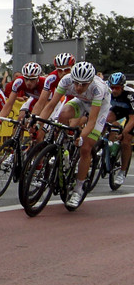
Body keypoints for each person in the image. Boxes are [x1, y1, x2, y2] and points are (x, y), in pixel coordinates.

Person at [37, 62, 111, 208]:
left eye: (83, 85)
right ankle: (64, 149)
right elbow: (51, 105)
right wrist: (39, 124)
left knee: (85, 148)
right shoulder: (66, 80)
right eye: (76, 83)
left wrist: (82, 137)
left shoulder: (98, 88)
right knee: (63, 115)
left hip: (99, 107)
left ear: (90, 81)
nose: (78, 87)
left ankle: (78, 190)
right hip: (81, 102)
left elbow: (92, 120)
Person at [106, 72, 132, 186]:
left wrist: (124, 132)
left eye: (117, 88)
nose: (114, 91)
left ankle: (122, 171)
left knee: (126, 140)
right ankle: (102, 147)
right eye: (112, 88)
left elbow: (132, 119)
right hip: (119, 109)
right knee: (105, 122)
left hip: (132, 114)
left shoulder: (130, 95)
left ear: (122, 87)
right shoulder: (107, 91)